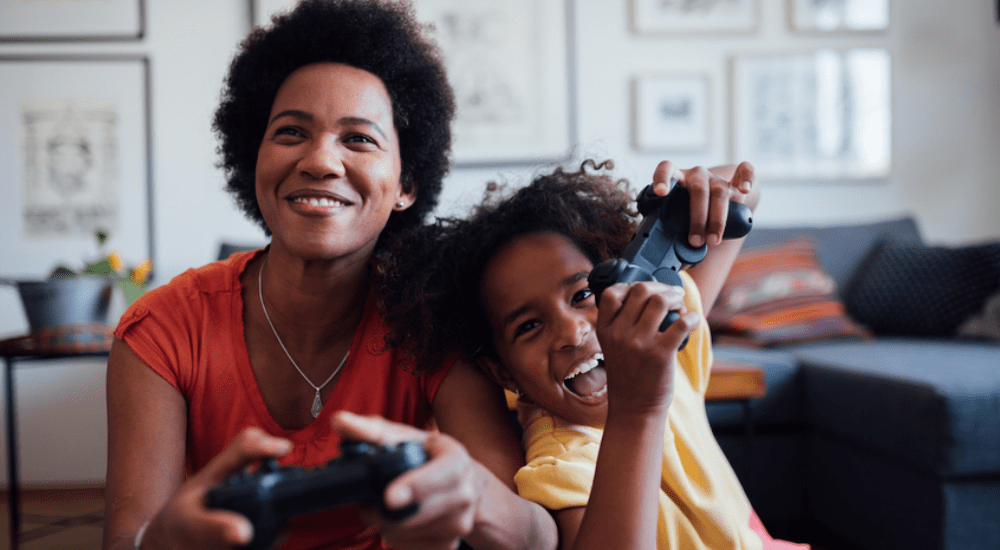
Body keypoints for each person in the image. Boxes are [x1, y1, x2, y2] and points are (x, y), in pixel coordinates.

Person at [102, 1, 557, 549]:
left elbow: (535, 538)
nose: (320, 161)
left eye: (359, 139)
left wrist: (475, 496)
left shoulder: (431, 322)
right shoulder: (162, 330)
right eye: (291, 132)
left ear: (406, 184)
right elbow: (127, 541)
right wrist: (165, 540)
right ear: (255, 161)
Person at [381, 160, 811, 550]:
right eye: (528, 326)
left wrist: (695, 195)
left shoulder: (664, 348)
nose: (571, 330)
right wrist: (638, 407)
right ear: (504, 373)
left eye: (583, 294)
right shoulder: (561, 461)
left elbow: (741, 193)